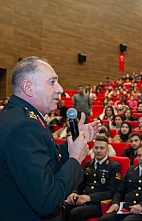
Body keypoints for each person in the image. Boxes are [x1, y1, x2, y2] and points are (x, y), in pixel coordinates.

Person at [0, 56, 101, 220]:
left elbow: (41, 158)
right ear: (28, 87)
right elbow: (47, 200)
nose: (60, 89)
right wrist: (75, 158)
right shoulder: (25, 126)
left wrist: (71, 144)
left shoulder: (18, 116)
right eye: (52, 82)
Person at [99, 145, 142, 221]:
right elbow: (120, 191)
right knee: (104, 219)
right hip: (126, 207)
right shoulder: (131, 170)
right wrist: (115, 203)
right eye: (139, 155)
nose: (141, 158)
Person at [64, 136, 121, 220]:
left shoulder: (114, 166)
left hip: (99, 203)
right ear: (93, 149)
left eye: (102, 148)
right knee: (63, 207)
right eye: (96, 147)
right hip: (83, 200)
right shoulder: (88, 164)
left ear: (107, 150)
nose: (98, 151)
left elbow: (112, 192)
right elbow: (81, 184)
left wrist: (90, 197)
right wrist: (74, 193)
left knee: (76, 213)